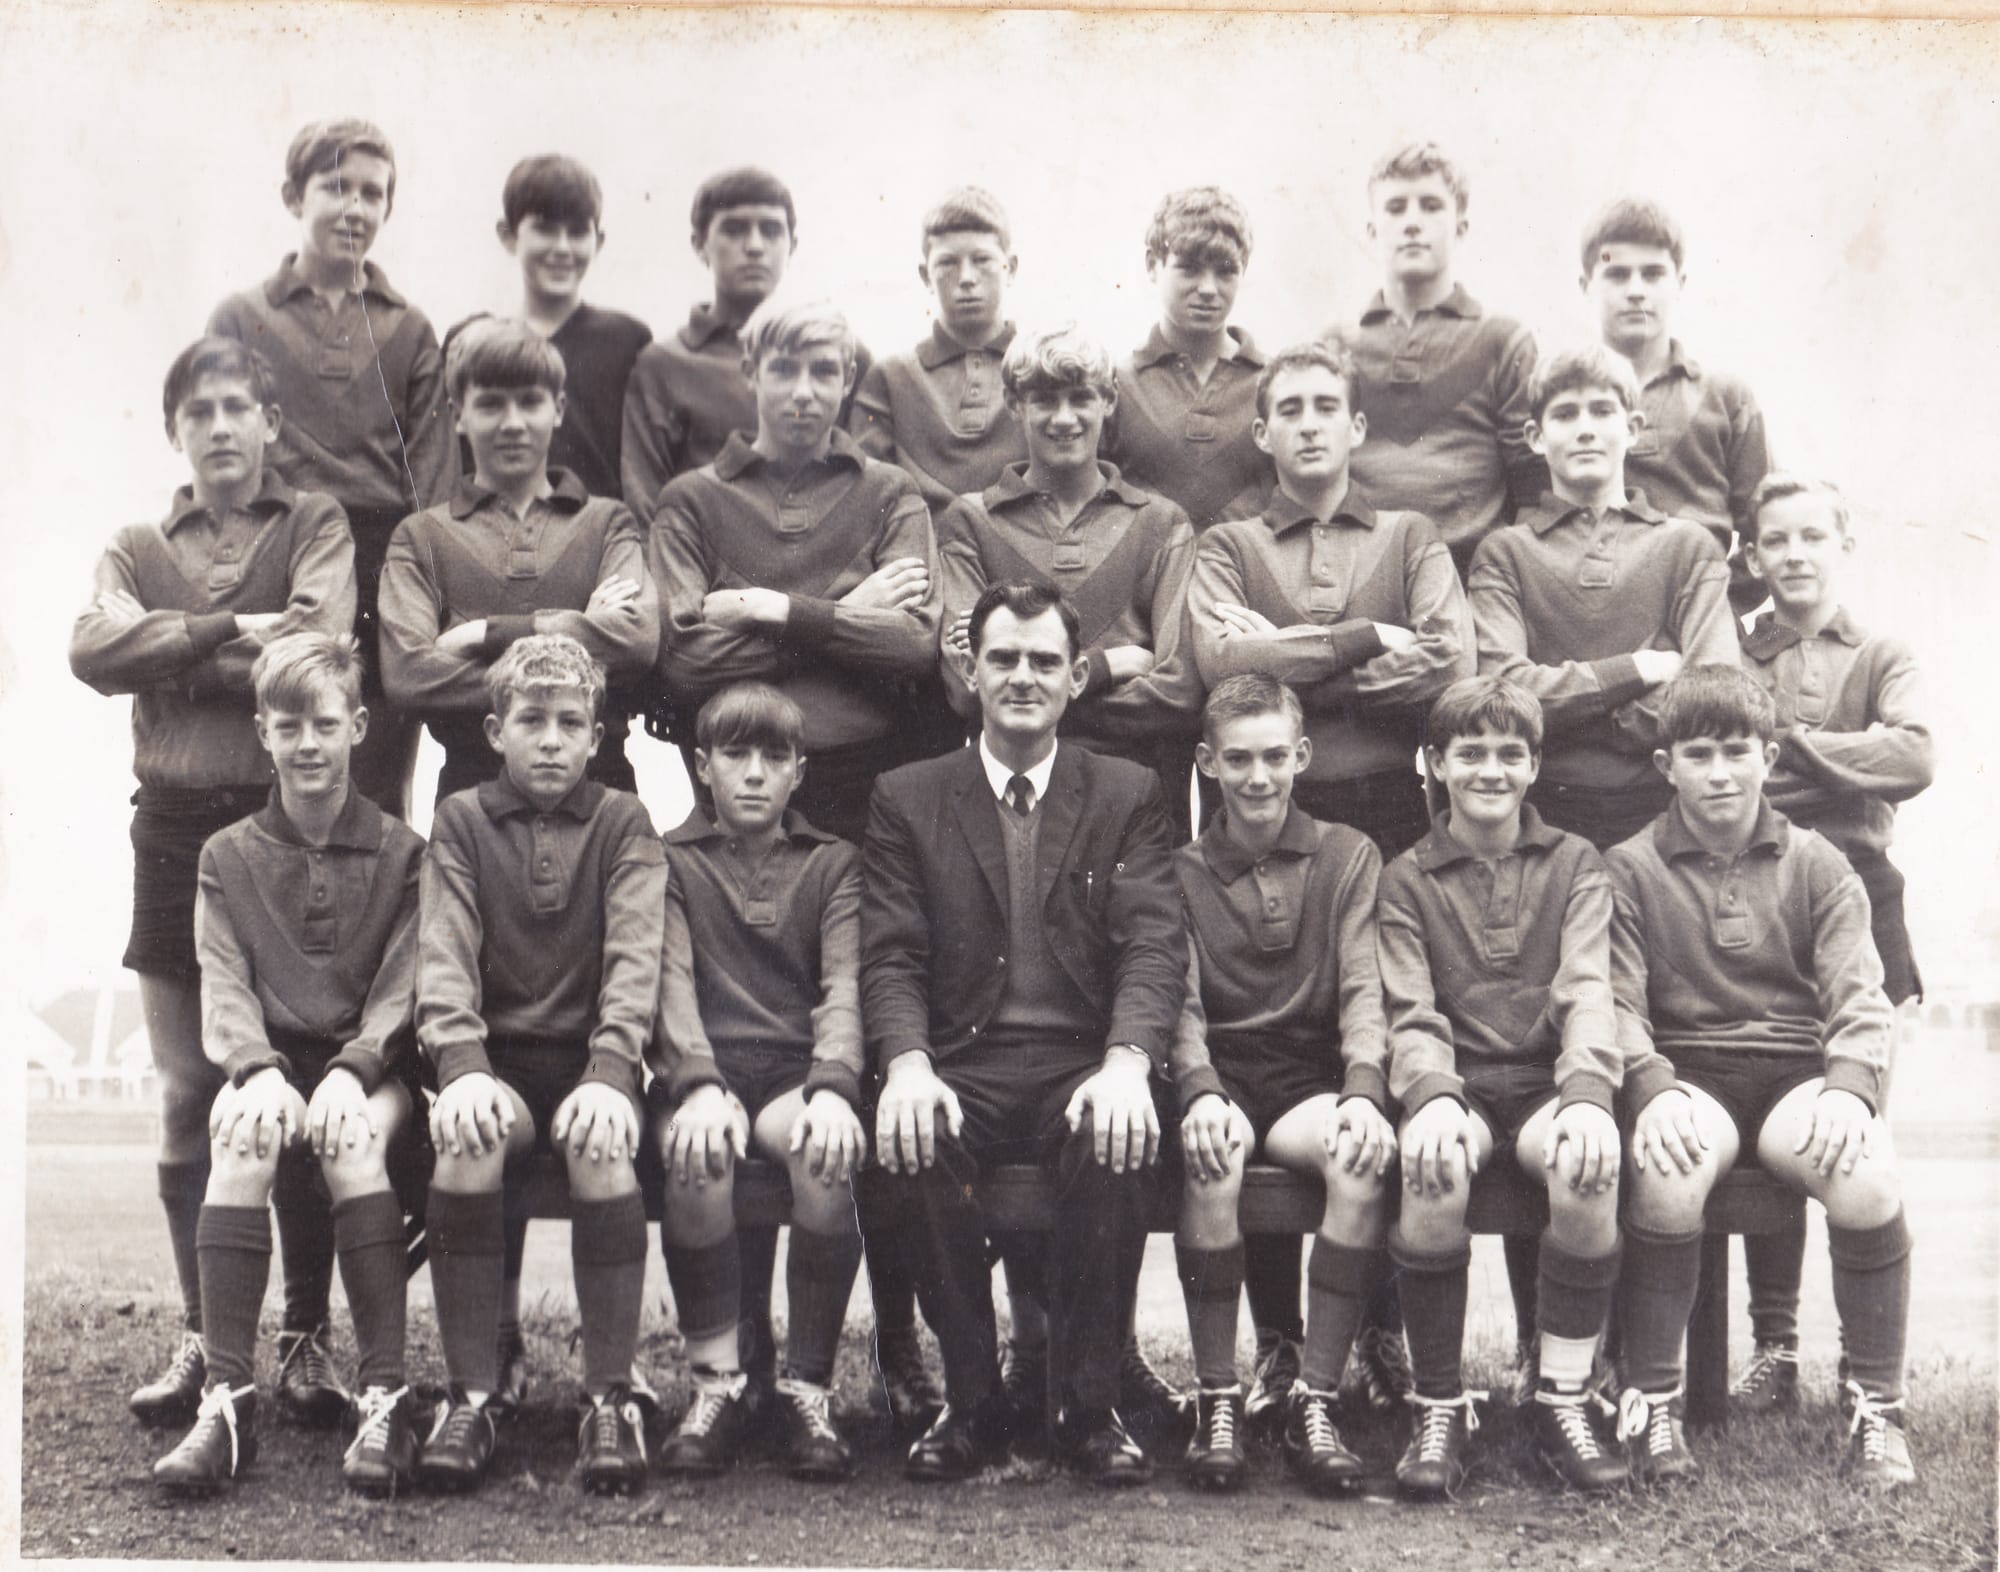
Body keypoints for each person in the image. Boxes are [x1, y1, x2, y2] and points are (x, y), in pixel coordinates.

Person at [648, 297, 942, 1427]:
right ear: (751, 373)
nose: (808, 392)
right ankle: (740, 1362)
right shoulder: (693, 501)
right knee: (740, 1024)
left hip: (866, 793)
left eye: (828, 372)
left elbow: (912, 644)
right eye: (788, 371)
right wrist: (836, 617)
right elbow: (682, 660)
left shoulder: (889, 494)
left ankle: (890, 1343)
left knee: (858, 1046)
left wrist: (770, 607)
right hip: (740, 781)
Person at [69, 335, 356, 1435]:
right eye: (202, 411)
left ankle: (306, 1336)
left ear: (272, 423)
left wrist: (171, 655)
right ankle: (203, 1335)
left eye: (241, 407)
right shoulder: (136, 543)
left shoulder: (314, 523)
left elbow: (316, 649)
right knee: (190, 1090)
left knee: (297, 1083)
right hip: (174, 829)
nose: (223, 426)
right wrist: (234, 628)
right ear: (174, 429)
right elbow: (92, 652)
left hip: (287, 828)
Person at [1187, 335, 1471, 1419]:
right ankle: (1275, 1342)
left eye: (1325, 406)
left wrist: (1290, 651)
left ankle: (1382, 1330)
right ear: (1261, 431)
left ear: (1355, 426)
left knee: (1373, 1036)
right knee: (1257, 1038)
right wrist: (1363, 639)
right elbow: (1224, 668)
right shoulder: (1226, 542)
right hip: (1256, 802)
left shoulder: (1408, 535)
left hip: (1383, 811)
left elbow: (1448, 662)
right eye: (1289, 408)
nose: (1308, 423)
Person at [863, 582, 1186, 1486]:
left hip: (1080, 1061)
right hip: (961, 1060)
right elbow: (890, 954)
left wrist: (1127, 1063)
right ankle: (971, 1404)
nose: (1022, 677)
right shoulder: (908, 795)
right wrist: (909, 1066)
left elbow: (1152, 944)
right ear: (970, 671)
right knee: (913, 1133)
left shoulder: (1126, 791)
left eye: (1045, 661)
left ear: (1077, 677)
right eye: (1002, 658)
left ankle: (1087, 1408)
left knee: (1117, 1134)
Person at [1608, 664, 1915, 1490]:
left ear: (1769, 758)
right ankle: (1654, 1403)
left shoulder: (1819, 862)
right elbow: (1616, 1003)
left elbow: (1861, 994)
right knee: (1666, 1165)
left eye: (1737, 751)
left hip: (1794, 1075)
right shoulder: (1628, 867)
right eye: (1698, 754)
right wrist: (1650, 1087)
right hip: (1689, 1075)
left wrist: (1848, 1086)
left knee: (1867, 1170)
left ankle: (1878, 1413)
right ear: (1667, 765)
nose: (1719, 773)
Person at [150, 634, 426, 1497]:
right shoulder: (225, 854)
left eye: (325, 724)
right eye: (289, 725)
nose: (308, 743)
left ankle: (385, 1397)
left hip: (370, 1074)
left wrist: (353, 1068)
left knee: (353, 1139)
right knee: (238, 1132)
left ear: (358, 728)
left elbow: (404, 988)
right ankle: (227, 1403)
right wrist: (255, 1069)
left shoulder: (404, 852)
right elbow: (223, 983)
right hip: (270, 1065)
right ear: (262, 733)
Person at [413, 635, 664, 1495]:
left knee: (601, 1143)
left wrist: (612, 1073)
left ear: (596, 736)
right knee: (468, 1139)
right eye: (531, 721)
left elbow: (636, 959)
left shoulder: (624, 822)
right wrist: (461, 1067)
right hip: (498, 1067)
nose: (551, 740)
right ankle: (472, 1394)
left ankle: (609, 1397)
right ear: (496, 731)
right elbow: (444, 954)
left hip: (593, 1065)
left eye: (569, 723)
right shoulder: (460, 820)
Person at [1378, 675, 1632, 1499]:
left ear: (1534, 766)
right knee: (1434, 1166)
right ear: (1435, 763)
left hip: (1546, 1082)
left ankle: (1562, 1396)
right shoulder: (1405, 877)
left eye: (1510, 754)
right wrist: (1432, 1097)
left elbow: (1588, 988)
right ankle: (1438, 1404)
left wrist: (1587, 1095)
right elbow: (1410, 1009)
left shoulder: (1576, 862)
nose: (1491, 770)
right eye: (1471, 753)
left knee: (1586, 1162)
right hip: (1459, 1085)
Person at [1731, 475, 1933, 1414]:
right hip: (1764, 890)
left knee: (1858, 1127)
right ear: (1754, 555)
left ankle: (1863, 1363)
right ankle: (1775, 1345)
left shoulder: (1883, 651)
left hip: (1866, 892)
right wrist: (1847, 760)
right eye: (1777, 540)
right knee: (1777, 1106)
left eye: (1814, 535)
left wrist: (1790, 748)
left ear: (1844, 543)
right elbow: (1731, 779)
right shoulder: (1736, 652)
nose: (1796, 553)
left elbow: (1914, 756)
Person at [1169, 674, 1395, 1495]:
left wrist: (1364, 1089)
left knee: (1359, 1155)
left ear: (1302, 755)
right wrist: (1198, 1090)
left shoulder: (1349, 853)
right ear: (1207, 763)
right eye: (1238, 760)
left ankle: (1315, 1397)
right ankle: (1216, 1399)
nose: (1258, 777)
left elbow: (1366, 987)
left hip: (1309, 1078)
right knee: (1212, 1156)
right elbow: (1180, 1004)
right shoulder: (1179, 869)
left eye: (1273, 757)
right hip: (1224, 1074)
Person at [648, 683, 870, 1483]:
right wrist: (696, 1084)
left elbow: (844, 986)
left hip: (791, 1077)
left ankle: (806, 1388)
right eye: (734, 754)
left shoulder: (833, 862)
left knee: (825, 1153)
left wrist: (833, 1086)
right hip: (703, 1071)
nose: (753, 773)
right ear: (701, 765)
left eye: (774, 758)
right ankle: (717, 1384)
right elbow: (668, 985)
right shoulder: (669, 860)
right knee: (697, 1154)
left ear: (799, 772)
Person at [207, 117, 451, 819]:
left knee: (372, 780)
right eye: (337, 188)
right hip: (278, 556)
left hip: (379, 566)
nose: (356, 209)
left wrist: (425, 591)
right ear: (294, 196)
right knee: (278, 763)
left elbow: (433, 478)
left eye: (373, 194)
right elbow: (220, 448)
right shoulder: (242, 316)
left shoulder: (410, 328)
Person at [1468, 346, 1741, 853]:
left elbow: (1712, 694)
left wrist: (1576, 716)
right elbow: (1502, 695)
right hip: (1543, 810)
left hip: (1663, 809)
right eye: (1565, 414)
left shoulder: (1687, 545)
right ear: (1535, 437)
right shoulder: (1504, 553)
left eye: (1601, 411)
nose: (1585, 429)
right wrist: (1636, 669)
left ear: (1633, 428)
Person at [378, 317, 658, 802]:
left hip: (601, 794)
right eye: (490, 404)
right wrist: (581, 632)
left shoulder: (607, 522)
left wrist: (483, 635)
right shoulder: (421, 537)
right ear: (458, 415)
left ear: (558, 409)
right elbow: (409, 675)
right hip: (471, 797)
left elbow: (636, 640)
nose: (512, 423)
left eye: (530, 402)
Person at [1333, 142, 1545, 577]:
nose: (1412, 222)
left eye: (1431, 206)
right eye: (1395, 208)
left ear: (1461, 227)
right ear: (1372, 230)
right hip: (1357, 578)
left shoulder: (1503, 341)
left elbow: (1534, 489)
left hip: (1472, 579)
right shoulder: (1337, 347)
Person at [621, 167, 872, 522]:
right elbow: (644, 502)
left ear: (792, 245)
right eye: (734, 229)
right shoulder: (664, 364)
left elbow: (866, 483)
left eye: (771, 230)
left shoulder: (839, 354)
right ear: (699, 244)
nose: (754, 246)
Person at [1578, 197, 1771, 611]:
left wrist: (1710, 608)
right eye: (1617, 274)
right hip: (1582, 616)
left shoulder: (1726, 398)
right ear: (1586, 285)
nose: (1636, 291)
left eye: (1652, 274)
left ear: (1680, 282)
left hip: (1697, 618)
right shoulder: (1560, 403)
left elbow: (1768, 531)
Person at [450, 153, 653, 500]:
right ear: (508, 235)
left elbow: (639, 467)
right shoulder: (470, 338)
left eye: (577, 232)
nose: (562, 248)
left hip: (598, 526)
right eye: (545, 229)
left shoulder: (627, 339)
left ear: (599, 241)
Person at [850, 186, 1028, 510]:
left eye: (982, 260)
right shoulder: (890, 378)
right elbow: (870, 494)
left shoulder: (1039, 370)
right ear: (925, 275)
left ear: (1011, 268)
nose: (967, 278)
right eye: (948, 263)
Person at [1105, 186, 1269, 533]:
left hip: (1247, 565)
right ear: (1153, 265)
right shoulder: (1117, 383)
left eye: (1226, 270)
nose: (1208, 289)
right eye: (1190, 269)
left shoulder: (1274, 382)